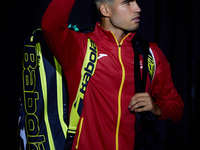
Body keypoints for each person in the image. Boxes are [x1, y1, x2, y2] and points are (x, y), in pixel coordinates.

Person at [41, 0, 184, 149]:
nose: (138, 8)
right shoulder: (79, 47)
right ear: (105, 10)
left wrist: (157, 109)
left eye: (136, 2)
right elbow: (50, 25)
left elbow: (176, 106)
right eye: (127, 3)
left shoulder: (150, 53)